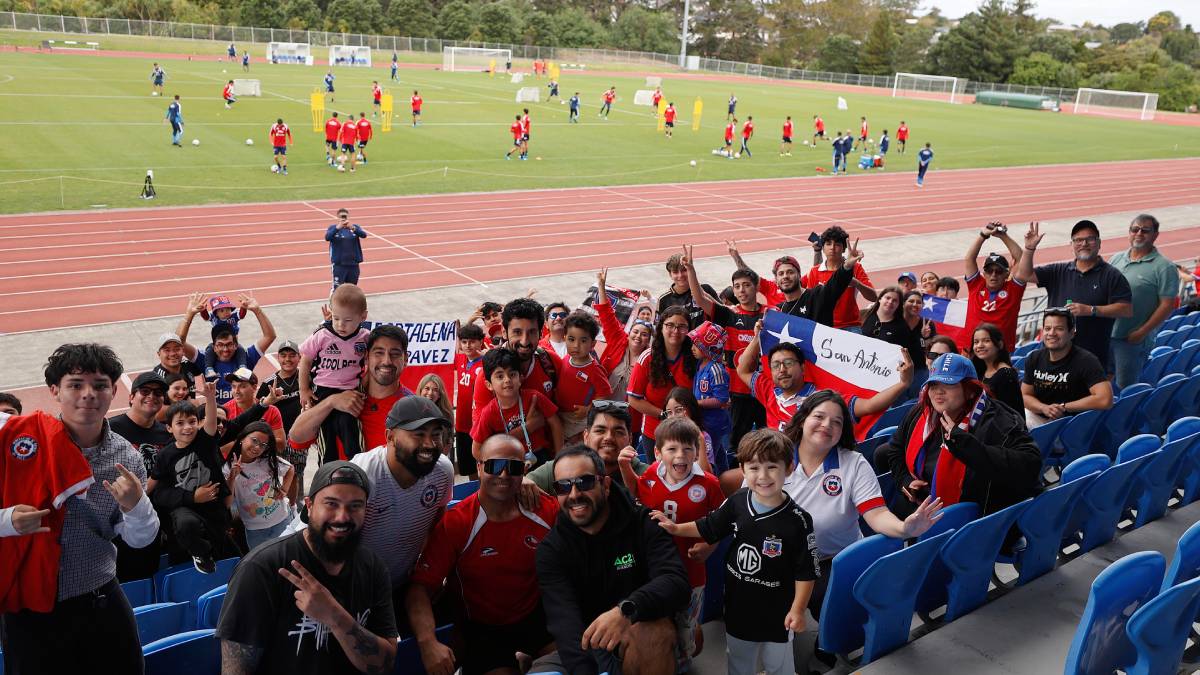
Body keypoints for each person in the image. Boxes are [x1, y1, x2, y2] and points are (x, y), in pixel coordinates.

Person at [0, 343, 158, 674]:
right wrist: (6, 521)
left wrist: (136, 507)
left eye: (100, 385)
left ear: (114, 391)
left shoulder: (127, 460)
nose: (88, 394)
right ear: (55, 390)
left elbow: (141, 539)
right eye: (75, 384)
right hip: (30, 606)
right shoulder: (21, 443)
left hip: (99, 597)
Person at [777, 391, 942, 669]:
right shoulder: (775, 455)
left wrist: (904, 527)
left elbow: (876, 514)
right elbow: (750, 510)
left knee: (832, 611)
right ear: (803, 418)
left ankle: (826, 648)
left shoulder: (853, 464)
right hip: (780, 561)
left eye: (837, 422)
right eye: (819, 416)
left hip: (833, 562)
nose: (827, 425)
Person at [654, 429, 819, 675]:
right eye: (753, 468)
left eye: (772, 467)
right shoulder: (738, 501)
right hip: (738, 607)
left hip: (778, 613)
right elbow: (709, 526)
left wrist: (797, 609)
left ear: (789, 468)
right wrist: (676, 528)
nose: (763, 476)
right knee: (739, 662)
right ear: (742, 469)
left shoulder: (799, 521)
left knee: (779, 665)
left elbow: (806, 573)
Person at [216, 461, 398, 674]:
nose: (342, 517)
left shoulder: (373, 567)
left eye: (355, 506)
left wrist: (334, 616)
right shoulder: (261, 569)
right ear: (309, 506)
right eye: (331, 504)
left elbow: (384, 665)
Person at [530, 446, 689, 675]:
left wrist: (626, 610)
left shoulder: (644, 522)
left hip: (637, 633)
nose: (574, 494)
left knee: (656, 634)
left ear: (605, 485)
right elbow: (565, 624)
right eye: (563, 486)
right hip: (582, 646)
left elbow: (675, 582)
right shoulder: (551, 550)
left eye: (584, 482)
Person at [408, 435, 558, 675]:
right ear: (478, 467)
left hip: (536, 617)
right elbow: (420, 588)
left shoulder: (543, 509)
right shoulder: (457, 522)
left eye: (514, 467)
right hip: (482, 629)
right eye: (494, 466)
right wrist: (428, 643)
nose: (504, 475)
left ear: (525, 470)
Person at [289, 397, 454, 614]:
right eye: (419, 434)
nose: (430, 444)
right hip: (348, 593)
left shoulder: (443, 471)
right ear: (390, 436)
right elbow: (309, 537)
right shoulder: (360, 476)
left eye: (436, 434)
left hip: (398, 587)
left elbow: (435, 523)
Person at [883, 353, 1041, 520]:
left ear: (971, 390)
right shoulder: (920, 412)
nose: (938, 391)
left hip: (978, 525)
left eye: (948, 384)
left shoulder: (999, 420)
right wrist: (905, 481)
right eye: (934, 384)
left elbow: (1031, 464)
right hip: (923, 512)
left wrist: (967, 446)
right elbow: (895, 449)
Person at [618, 418, 723, 670]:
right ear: (657, 452)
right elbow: (636, 491)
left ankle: (684, 659)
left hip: (692, 572)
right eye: (672, 449)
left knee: (686, 624)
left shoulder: (709, 483)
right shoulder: (652, 473)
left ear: (696, 452)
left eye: (688, 449)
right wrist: (624, 466)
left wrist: (710, 546)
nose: (681, 455)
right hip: (656, 569)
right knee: (658, 618)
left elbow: (722, 522)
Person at [736, 321, 912, 433]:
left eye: (788, 363)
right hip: (776, 467)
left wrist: (903, 384)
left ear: (803, 367)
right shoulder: (768, 390)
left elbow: (869, 405)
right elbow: (742, 370)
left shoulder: (822, 399)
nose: (782, 369)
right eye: (775, 365)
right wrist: (757, 338)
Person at [1014, 220, 1133, 370]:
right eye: (1078, 240)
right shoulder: (1058, 271)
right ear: (1071, 245)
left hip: (1092, 358)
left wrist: (1090, 310)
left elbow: (1126, 309)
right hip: (1055, 356)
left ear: (1099, 243)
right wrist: (1029, 248)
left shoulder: (1112, 275)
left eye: (1089, 239)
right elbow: (1024, 275)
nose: (1084, 244)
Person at [685, 246, 767, 454]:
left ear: (756, 288)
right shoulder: (728, 314)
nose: (741, 290)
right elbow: (701, 299)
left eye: (746, 285)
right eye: (737, 286)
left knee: (769, 440)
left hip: (764, 389)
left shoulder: (770, 315)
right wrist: (691, 272)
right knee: (737, 445)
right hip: (738, 393)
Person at [290, 324, 414, 460]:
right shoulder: (335, 394)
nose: (386, 361)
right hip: (338, 479)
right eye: (379, 353)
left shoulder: (413, 408)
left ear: (406, 359)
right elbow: (297, 437)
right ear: (366, 357)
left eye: (395, 354)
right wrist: (331, 402)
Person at [154, 383, 236, 573]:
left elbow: (211, 422)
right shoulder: (166, 455)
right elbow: (159, 491)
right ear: (169, 428)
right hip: (186, 509)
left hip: (214, 513)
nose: (188, 427)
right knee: (186, 524)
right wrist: (192, 497)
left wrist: (210, 399)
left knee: (232, 561)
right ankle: (202, 555)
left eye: (192, 421)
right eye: (180, 423)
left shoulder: (204, 441)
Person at [300, 284, 370, 462]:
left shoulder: (365, 338)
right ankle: (326, 469)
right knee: (326, 433)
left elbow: (372, 363)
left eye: (347, 320)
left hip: (350, 392)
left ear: (363, 316)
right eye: (336, 318)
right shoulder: (322, 335)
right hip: (322, 392)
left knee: (351, 433)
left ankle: (358, 466)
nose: (340, 324)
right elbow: (306, 360)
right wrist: (304, 390)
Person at [1110, 214, 1180, 389]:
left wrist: (1142, 332)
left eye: (1145, 230)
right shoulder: (1116, 258)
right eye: (1135, 229)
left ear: (1155, 235)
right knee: (1102, 381)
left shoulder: (1165, 267)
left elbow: (1167, 305)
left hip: (1130, 339)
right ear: (1129, 232)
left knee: (1126, 387)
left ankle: (1125, 416)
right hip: (1105, 334)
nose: (1139, 233)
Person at [525, 402, 651, 494]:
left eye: (618, 432)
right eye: (600, 430)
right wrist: (522, 483)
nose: (609, 438)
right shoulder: (561, 468)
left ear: (630, 439)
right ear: (586, 436)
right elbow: (525, 483)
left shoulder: (648, 476)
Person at [177, 292, 276, 405]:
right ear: (213, 347)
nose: (225, 349)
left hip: (243, 415)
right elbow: (179, 343)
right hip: (219, 416)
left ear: (236, 345)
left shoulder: (246, 357)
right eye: (220, 345)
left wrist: (258, 311)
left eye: (229, 344)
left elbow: (270, 336)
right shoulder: (204, 359)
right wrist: (189, 314)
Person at [1021, 308, 1113, 428]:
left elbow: (1105, 399)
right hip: (1040, 418)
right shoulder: (1034, 358)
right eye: (1047, 328)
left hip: (1070, 425)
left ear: (1071, 333)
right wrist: (1044, 408)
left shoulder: (1086, 360)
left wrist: (1063, 407)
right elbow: (1025, 395)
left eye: (1059, 329)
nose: (1052, 333)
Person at [471, 348, 563, 466]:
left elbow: (555, 423)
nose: (507, 380)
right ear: (489, 385)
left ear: (520, 378)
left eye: (512, 374)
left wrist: (559, 457)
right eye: (500, 376)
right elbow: (476, 451)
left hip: (539, 456)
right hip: (508, 462)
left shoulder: (534, 397)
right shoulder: (488, 412)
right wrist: (498, 465)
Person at [628, 307, 699, 456]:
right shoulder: (647, 358)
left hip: (688, 431)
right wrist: (665, 415)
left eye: (682, 326)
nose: (675, 330)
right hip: (654, 433)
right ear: (661, 328)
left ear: (689, 330)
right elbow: (633, 399)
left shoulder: (695, 358)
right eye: (670, 325)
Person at [594, 268, 654, 438]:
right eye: (635, 332)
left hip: (630, 420)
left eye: (644, 334)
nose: (638, 336)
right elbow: (606, 314)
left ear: (648, 340)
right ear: (629, 334)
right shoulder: (618, 341)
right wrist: (601, 285)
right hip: (603, 411)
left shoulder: (650, 359)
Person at [223, 421, 294, 550]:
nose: (257, 447)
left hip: (282, 520)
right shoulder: (228, 467)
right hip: (255, 529)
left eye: (263, 445)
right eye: (254, 440)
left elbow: (290, 469)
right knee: (263, 564)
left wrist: (284, 489)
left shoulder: (267, 461)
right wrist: (232, 477)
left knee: (287, 558)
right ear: (242, 438)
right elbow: (227, 503)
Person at [960, 221, 1027, 352]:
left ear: (1007, 274)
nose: (994, 275)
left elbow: (1021, 259)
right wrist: (982, 236)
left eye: (999, 271)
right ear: (984, 273)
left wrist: (1003, 236)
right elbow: (969, 258)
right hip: (973, 350)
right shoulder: (976, 285)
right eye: (990, 271)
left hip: (1001, 352)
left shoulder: (1014, 290)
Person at [806, 225, 877, 333]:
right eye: (828, 243)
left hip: (851, 326)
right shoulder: (815, 271)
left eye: (837, 244)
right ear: (823, 247)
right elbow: (809, 302)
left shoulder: (855, 268)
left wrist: (857, 284)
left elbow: (873, 297)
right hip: (823, 327)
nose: (832, 247)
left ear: (844, 249)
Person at [555, 311, 613, 442]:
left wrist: (588, 409)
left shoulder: (594, 369)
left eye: (583, 340)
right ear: (564, 338)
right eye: (571, 339)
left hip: (577, 419)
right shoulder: (565, 359)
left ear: (593, 344)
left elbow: (605, 393)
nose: (576, 345)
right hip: (560, 413)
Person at [688, 321, 731, 467]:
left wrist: (696, 403)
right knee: (718, 455)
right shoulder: (700, 364)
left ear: (707, 347)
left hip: (714, 423)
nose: (692, 348)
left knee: (710, 457)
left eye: (696, 345)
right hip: (704, 421)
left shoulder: (716, 369)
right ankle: (724, 481)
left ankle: (718, 483)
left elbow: (721, 399)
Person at [222, 367, 286, 450]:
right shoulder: (224, 411)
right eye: (233, 386)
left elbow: (281, 445)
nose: (236, 391)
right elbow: (219, 447)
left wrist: (255, 440)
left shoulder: (272, 411)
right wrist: (249, 441)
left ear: (254, 388)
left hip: (262, 460)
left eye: (242, 386)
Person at [453, 323, 486, 479]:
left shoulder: (486, 363)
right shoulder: (459, 359)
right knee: (468, 468)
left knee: (483, 466)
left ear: (481, 341)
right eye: (464, 341)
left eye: (472, 341)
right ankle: (474, 497)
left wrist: (489, 357)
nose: (468, 345)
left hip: (478, 424)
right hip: (461, 423)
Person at [970, 323, 1024, 415]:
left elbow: (1010, 414)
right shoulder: (980, 369)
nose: (980, 345)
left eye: (986, 341)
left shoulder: (1006, 374)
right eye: (976, 342)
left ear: (999, 344)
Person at [658, 252, 719, 329]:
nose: (680, 275)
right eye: (675, 272)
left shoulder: (706, 290)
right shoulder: (664, 300)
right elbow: (659, 330)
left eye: (684, 270)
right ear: (670, 275)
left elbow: (723, 313)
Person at [325, 208, 367, 291]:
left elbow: (364, 235)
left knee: (352, 289)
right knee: (337, 289)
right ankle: (334, 304)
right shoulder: (333, 228)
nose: (343, 218)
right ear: (338, 217)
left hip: (353, 265)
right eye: (341, 217)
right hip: (339, 265)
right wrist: (337, 228)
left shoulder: (354, 228)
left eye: (345, 216)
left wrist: (353, 228)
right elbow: (327, 237)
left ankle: (350, 304)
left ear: (348, 217)